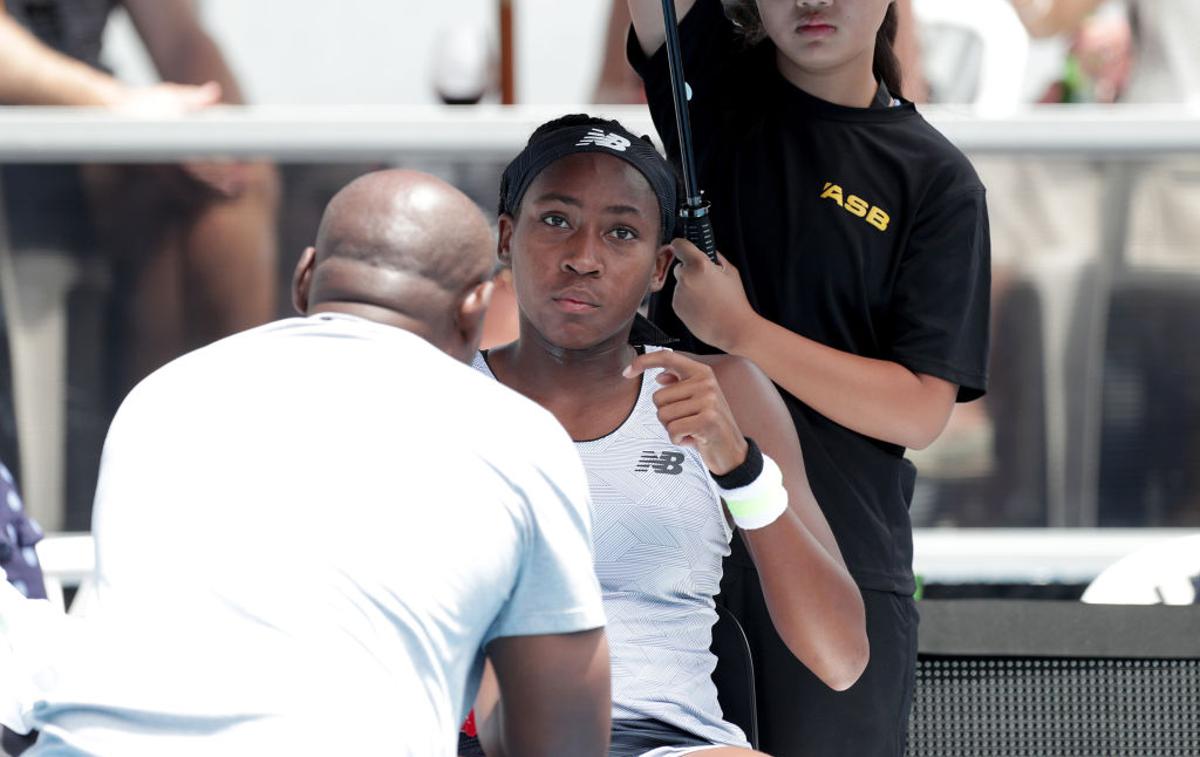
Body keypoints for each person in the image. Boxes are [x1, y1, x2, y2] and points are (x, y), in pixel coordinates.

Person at [3, 170, 611, 756]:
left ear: (305, 279)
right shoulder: (519, 436)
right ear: (475, 308)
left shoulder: (164, 394)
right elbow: (562, 746)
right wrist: (502, 643)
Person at [626, 2, 992, 755]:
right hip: (676, 566)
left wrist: (745, 333)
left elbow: (921, 409)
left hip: (842, 570)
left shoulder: (938, 180)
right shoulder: (718, 89)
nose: (812, 2)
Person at [471, 114, 868, 757]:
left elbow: (840, 656)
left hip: (669, 743)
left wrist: (739, 468)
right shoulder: (436, 392)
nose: (583, 257)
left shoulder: (724, 392)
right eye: (555, 220)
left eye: (621, 232)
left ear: (660, 269)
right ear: (506, 236)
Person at [0, 0, 279, 388]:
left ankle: (224, 421)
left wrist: (228, 147)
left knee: (225, 191)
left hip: (89, 138)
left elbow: (183, 43)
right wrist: (119, 104)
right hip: (20, 161)